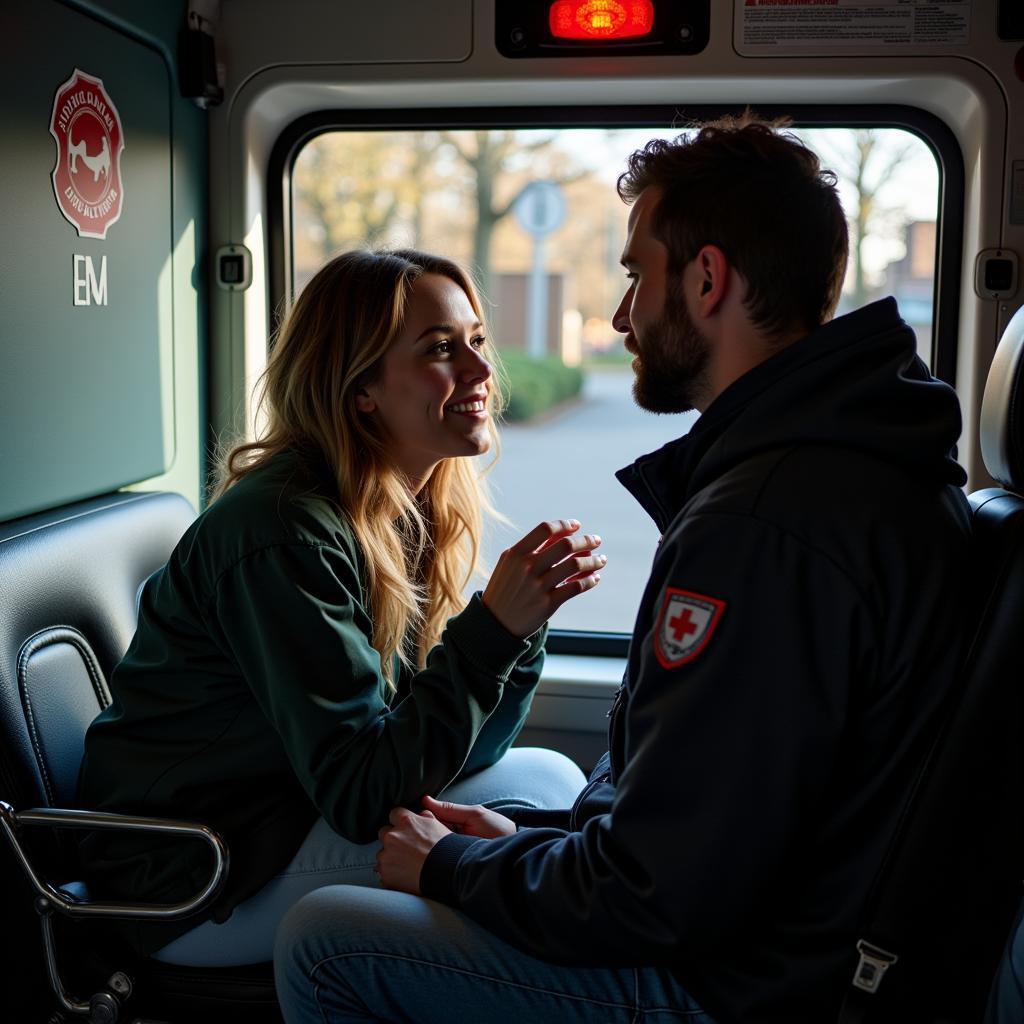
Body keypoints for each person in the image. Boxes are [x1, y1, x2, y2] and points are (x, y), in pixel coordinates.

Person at [273, 115, 975, 1023]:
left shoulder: (764, 525)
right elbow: (697, 827)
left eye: (637, 274)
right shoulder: (848, 472)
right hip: (779, 940)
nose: (619, 315)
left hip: (739, 986)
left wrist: (455, 865)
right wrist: (526, 843)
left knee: (324, 942)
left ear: (709, 279)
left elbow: (657, 889)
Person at [76, 248, 599, 966]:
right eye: (441, 350)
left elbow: (462, 753)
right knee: (510, 867)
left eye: (476, 342)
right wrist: (494, 630)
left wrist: (519, 630)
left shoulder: (402, 512)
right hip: (200, 874)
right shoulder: (285, 531)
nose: (482, 372)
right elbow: (361, 794)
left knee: (548, 783)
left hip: (289, 818)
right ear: (362, 390)